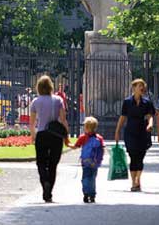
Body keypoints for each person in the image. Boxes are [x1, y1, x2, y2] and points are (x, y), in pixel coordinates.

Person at [29, 75, 69, 203]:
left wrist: (33, 135)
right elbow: (63, 119)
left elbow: (32, 122)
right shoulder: (58, 100)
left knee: (41, 163)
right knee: (53, 164)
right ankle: (49, 193)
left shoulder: (36, 101)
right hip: (56, 135)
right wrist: (66, 135)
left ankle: (45, 181)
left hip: (42, 134)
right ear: (51, 86)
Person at [115, 79, 155, 192]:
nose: (142, 88)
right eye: (139, 86)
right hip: (130, 132)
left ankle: (138, 179)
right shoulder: (127, 102)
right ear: (134, 88)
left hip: (143, 132)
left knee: (140, 158)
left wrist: (150, 125)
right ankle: (134, 182)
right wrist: (117, 132)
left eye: (143, 86)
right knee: (133, 157)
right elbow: (123, 117)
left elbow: (150, 116)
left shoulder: (147, 102)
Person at [70, 116, 105, 203]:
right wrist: (99, 159)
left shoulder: (83, 137)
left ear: (86, 127)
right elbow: (102, 149)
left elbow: (75, 146)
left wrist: (67, 143)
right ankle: (92, 195)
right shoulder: (99, 138)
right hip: (95, 162)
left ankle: (86, 194)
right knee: (93, 178)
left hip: (85, 162)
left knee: (85, 177)